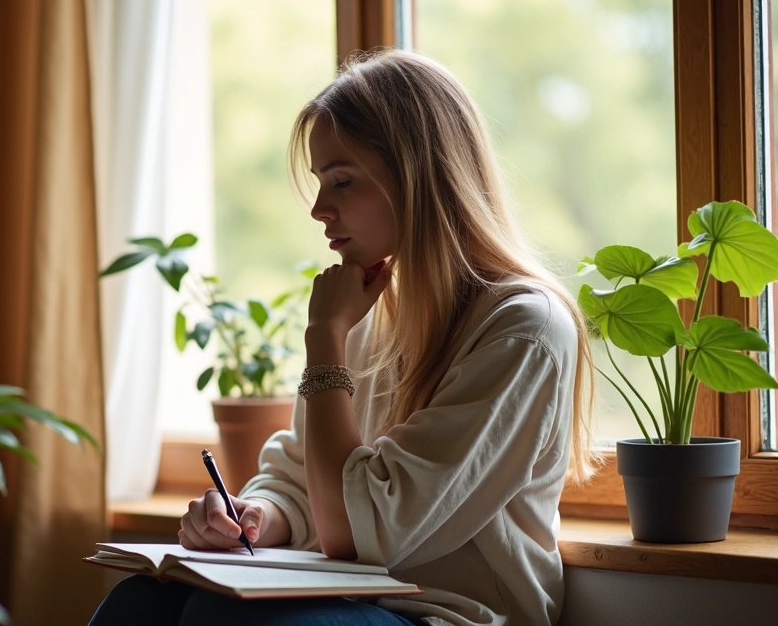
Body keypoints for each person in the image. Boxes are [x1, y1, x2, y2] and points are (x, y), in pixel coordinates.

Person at [89, 48, 597, 626]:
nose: (319, 209)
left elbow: (355, 531)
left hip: (445, 616)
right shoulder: (373, 317)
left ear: (417, 177)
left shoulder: (523, 330)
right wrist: (254, 515)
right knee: (139, 601)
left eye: (343, 181)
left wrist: (325, 336)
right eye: (320, 182)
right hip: (351, 600)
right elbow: (301, 477)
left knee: (223, 619)